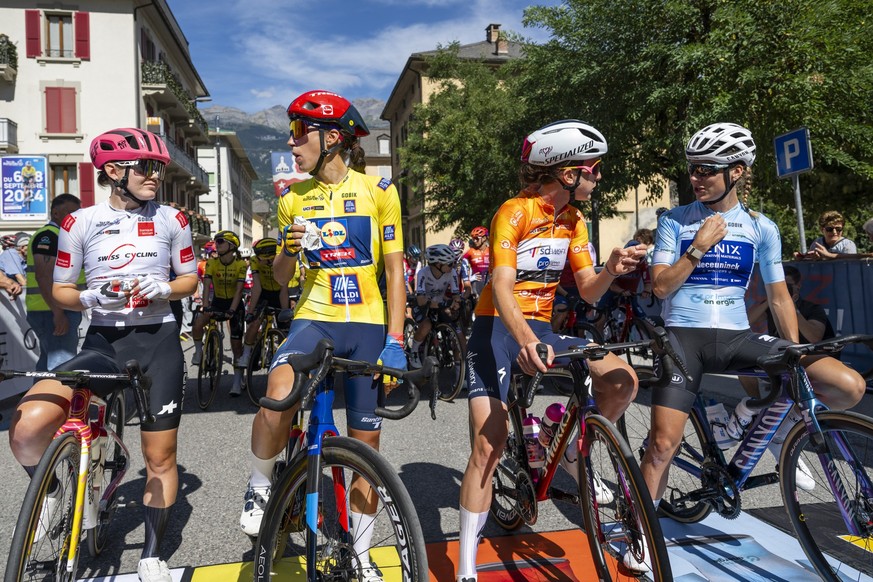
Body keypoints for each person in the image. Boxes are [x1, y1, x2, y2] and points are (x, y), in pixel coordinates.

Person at [638, 123, 865, 532]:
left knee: (849, 386)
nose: (696, 178)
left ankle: (755, 418)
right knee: (661, 446)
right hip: (683, 337)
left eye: (706, 169)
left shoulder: (761, 226)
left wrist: (795, 354)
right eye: (692, 169)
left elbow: (779, 298)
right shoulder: (675, 220)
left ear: (737, 171)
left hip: (737, 336)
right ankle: (641, 534)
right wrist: (698, 246)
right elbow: (660, 286)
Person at [457, 120, 647, 581]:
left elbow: (587, 290)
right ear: (568, 173)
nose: (598, 177)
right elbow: (502, 288)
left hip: (541, 327)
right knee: (489, 444)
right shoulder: (514, 212)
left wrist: (610, 269)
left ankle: (571, 447)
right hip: (496, 328)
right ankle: (465, 565)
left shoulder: (574, 220)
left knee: (622, 378)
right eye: (593, 169)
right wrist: (526, 341)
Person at [8, 127, 198, 582]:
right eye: (146, 167)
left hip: (158, 342)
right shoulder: (79, 222)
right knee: (28, 426)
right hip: (103, 343)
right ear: (114, 171)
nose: (156, 176)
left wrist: (164, 288)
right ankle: (52, 489)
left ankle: (152, 555)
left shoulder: (173, 219)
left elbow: (190, 279)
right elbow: (60, 289)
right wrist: (91, 297)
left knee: (160, 458)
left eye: (159, 168)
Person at [240, 90, 407, 582]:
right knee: (278, 393)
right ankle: (260, 483)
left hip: (367, 324)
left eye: (299, 133)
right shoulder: (292, 199)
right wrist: (287, 250)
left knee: (367, 450)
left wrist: (396, 340)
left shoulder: (379, 192)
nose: (291, 144)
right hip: (314, 316)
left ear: (332, 138)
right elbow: (282, 277)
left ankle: (361, 554)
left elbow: (394, 273)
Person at [26, 193, 84, 371]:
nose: (75, 218)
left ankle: (43, 390)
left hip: (53, 308)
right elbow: (43, 276)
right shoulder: (50, 236)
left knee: (48, 364)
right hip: (53, 310)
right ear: (56, 213)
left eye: (78, 213)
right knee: (62, 365)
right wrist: (58, 313)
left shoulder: (59, 235)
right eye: (71, 213)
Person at [190, 230, 247, 396]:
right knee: (198, 323)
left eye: (220, 241)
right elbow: (206, 286)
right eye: (216, 241)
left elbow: (239, 291)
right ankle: (198, 351)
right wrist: (205, 306)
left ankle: (237, 381)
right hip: (217, 302)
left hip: (234, 304)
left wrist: (232, 310)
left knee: (236, 345)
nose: (217, 244)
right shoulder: (212, 263)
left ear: (231, 245)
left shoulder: (240, 265)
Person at [408, 244, 462, 368]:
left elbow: (456, 294)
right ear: (438, 264)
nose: (453, 266)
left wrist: (457, 302)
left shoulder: (452, 273)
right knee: (426, 325)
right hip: (423, 304)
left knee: (453, 323)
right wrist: (439, 303)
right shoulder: (423, 273)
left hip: (439, 303)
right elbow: (421, 300)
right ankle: (414, 351)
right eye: (450, 264)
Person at [238, 238, 290, 368]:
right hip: (263, 293)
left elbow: (284, 289)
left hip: (279, 293)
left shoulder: (282, 260)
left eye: (260, 257)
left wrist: (284, 312)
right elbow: (257, 287)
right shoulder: (254, 260)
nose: (258, 259)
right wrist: (250, 312)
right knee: (255, 323)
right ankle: (246, 354)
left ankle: (286, 355)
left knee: (285, 328)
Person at [463, 226, 490, 296]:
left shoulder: (491, 250)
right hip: (476, 283)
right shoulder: (470, 251)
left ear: (484, 238)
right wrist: (470, 278)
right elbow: (459, 266)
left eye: (477, 238)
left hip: (490, 282)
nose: (474, 241)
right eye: (473, 239)